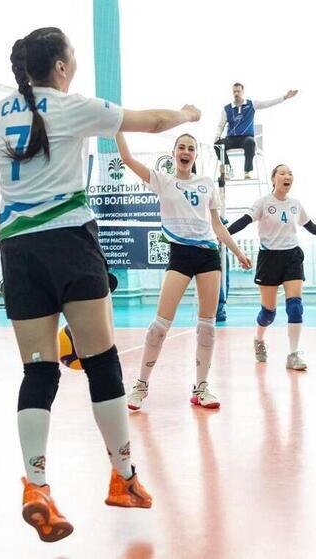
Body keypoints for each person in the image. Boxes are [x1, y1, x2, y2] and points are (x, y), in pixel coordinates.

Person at [0, 27, 201, 541]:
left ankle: (36, 486)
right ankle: (123, 477)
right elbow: (153, 121)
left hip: (17, 248)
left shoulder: (2, 110)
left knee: (38, 370)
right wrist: (186, 114)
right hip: (68, 239)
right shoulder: (71, 106)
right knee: (102, 361)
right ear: (61, 67)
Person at [116, 132, 252, 411]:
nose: (186, 151)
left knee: (207, 326)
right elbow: (127, 159)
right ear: (174, 152)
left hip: (208, 255)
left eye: (191, 148)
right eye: (181, 147)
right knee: (159, 326)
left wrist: (238, 252)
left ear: (195, 155)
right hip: (180, 255)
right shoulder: (163, 181)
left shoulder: (206, 184)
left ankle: (201, 388)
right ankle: (141, 385)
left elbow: (217, 225)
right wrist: (116, 127)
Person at [226, 164, 316, 369]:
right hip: (269, 258)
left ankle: (293, 355)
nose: (287, 176)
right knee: (268, 313)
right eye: (283, 173)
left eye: (290, 173)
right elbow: (244, 221)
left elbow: (311, 227)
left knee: (295, 307)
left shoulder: (295, 204)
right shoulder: (263, 203)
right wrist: (222, 235)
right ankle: (259, 339)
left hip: (292, 256)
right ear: (273, 179)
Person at [214, 83, 298, 180]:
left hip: (246, 138)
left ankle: (247, 171)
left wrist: (284, 97)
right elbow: (221, 125)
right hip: (231, 138)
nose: (236, 93)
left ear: (242, 92)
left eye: (238, 91)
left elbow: (268, 103)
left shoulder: (251, 104)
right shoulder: (226, 109)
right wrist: (217, 136)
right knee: (217, 145)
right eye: (234, 91)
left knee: (251, 142)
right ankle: (228, 171)